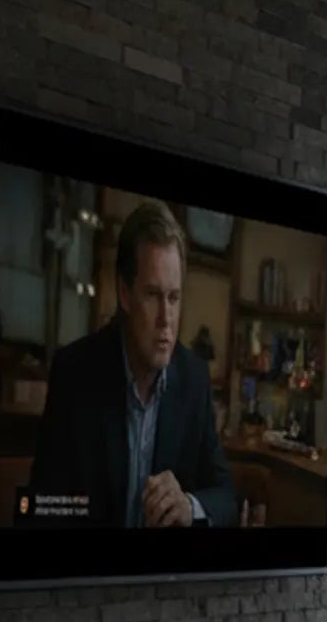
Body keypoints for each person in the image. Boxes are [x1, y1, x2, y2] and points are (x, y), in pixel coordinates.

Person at [27, 199, 236, 529]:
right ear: (124, 293)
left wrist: (189, 505)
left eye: (174, 298)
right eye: (152, 295)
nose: (166, 320)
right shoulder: (74, 371)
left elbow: (226, 497)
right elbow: (36, 506)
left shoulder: (194, 377)